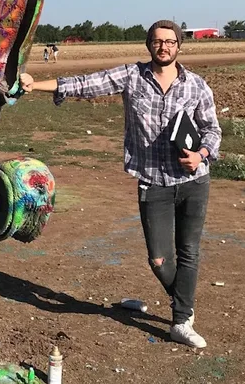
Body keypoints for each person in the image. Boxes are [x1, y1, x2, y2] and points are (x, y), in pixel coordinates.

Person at [20, 20, 222, 349]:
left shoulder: (196, 86)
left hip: (194, 181)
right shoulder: (132, 76)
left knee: (189, 252)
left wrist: (200, 155)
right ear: (148, 45)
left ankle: (181, 320)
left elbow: (212, 130)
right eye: (157, 41)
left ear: (179, 46)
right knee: (158, 259)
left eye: (170, 42)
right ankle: (183, 302)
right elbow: (87, 84)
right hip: (153, 181)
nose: (164, 47)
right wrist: (36, 85)